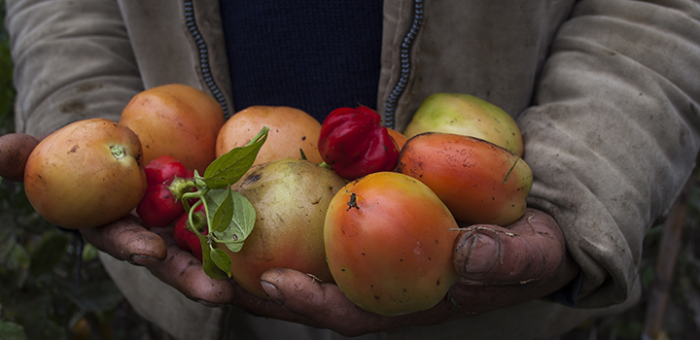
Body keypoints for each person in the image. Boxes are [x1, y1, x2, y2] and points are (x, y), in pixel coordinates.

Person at [2, 0, 699, 339]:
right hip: (189, 301)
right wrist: (88, 123)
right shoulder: (182, 189)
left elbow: (656, 12)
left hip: (494, 313)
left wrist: (581, 182)